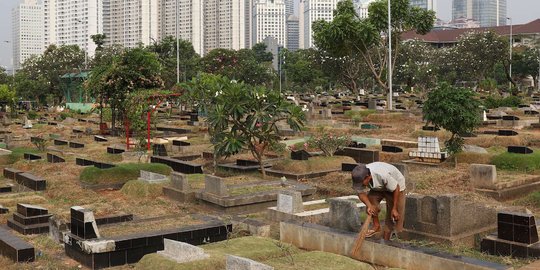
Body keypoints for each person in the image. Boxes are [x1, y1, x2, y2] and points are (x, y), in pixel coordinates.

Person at [351, 162, 406, 241]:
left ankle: (388, 238)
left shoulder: (382, 175)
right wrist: (370, 206)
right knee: (370, 200)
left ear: (368, 177)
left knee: (394, 215)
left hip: (396, 187)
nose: (360, 186)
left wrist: (394, 208)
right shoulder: (359, 174)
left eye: (361, 183)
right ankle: (376, 226)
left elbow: (396, 188)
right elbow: (360, 193)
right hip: (379, 187)